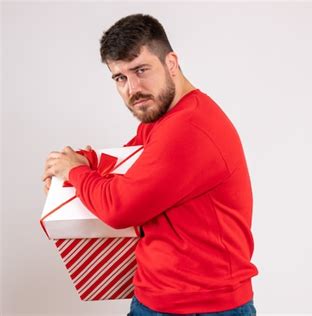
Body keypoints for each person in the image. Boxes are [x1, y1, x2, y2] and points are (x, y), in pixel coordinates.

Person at [42, 13, 258, 316]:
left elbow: (120, 207)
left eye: (141, 70)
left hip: (199, 308)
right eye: (120, 78)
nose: (132, 89)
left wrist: (75, 173)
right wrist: (77, 165)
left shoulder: (189, 127)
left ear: (171, 63)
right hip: (158, 297)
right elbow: (126, 164)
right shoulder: (164, 119)